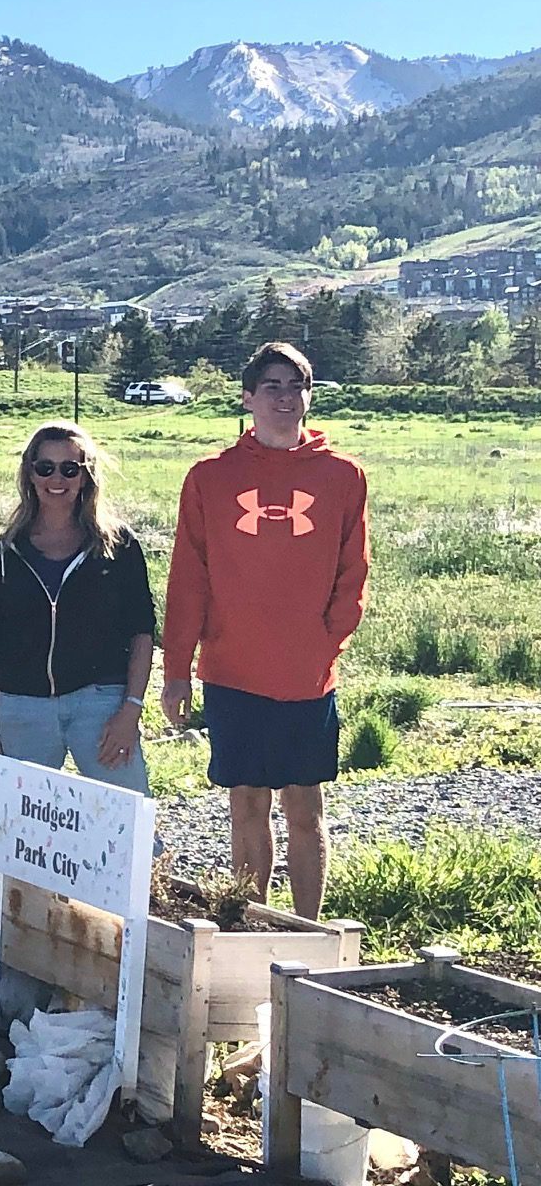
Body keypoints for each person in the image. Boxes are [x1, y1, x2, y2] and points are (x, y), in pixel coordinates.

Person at [162, 341, 369, 919]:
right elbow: (188, 579)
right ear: (248, 398)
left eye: (295, 385)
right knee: (246, 806)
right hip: (232, 672)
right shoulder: (209, 478)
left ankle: (307, 931)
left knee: (305, 809)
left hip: (308, 675)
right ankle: (254, 927)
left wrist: (327, 641)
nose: (284, 397)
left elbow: (354, 572)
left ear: (309, 396)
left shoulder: (342, 476)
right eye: (271, 386)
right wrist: (175, 671)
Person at [0, 422, 157, 795]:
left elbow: (142, 631)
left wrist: (131, 710)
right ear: (30, 472)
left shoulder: (119, 547)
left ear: (85, 476)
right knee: (19, 835)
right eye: (45, 467)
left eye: (69, 469)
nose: (56, 479)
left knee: (126, 827)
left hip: (101, 705)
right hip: (23, 709)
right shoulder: (3, 554)